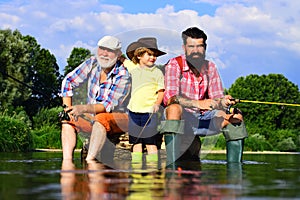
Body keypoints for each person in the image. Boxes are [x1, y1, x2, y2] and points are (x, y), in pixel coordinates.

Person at [159, 27, 248, 164]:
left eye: (199, 46)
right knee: (173, 109)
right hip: (183, 119)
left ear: (205, 47)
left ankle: (235, 173)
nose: (195, 50)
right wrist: (198, 103)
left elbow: (217, 98)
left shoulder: (210, 67)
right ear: (184, 48)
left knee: (236, 116)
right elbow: (171, 98)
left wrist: (223, 101)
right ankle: (172, 168)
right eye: (191, 46)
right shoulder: (174, 64)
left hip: (205, 118)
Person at [60, 35, 131, 162]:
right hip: (92, 118)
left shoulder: (123, 74)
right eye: (102, 48)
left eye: (109, 50)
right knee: (67, 121)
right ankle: (66, 163)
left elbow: (107, 106)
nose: (104, 53)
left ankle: (90, 161)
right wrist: (67, 109)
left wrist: (83, 108)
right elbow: (68, 81)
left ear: (118, 54)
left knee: (101, 118)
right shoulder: (92, 63)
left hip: (119, 119)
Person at [125, 37, 166, 163]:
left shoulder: (157, 72)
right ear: (139, 55)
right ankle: (136, 167)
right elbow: (121, 59)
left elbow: (161, 91)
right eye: (149, 54)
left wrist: (157, 105)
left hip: (149, 111)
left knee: (150, 142)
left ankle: (152, 166)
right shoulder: (133, 68)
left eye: (155, 55)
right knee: (136, 142)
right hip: (133, 111)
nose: (153, 58)